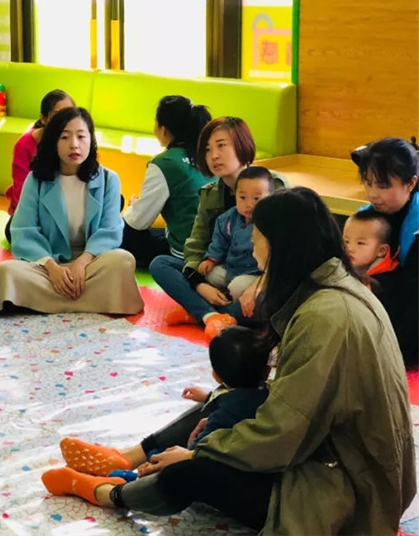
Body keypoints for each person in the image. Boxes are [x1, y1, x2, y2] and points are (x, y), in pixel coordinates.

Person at [39, 187, 415, 534]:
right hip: (336, 459)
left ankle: (108, 493)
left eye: (257, 236)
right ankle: (126, 457)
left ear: (279, 244)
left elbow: (283, 433)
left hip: (347, 492)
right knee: (228, 399)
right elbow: (295, 405)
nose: (252, 245)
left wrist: (198, 452)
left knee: (191, 470)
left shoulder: (325, 315)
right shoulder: (330, 290)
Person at [43, 325, 271, 513]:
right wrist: (208, 397)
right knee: (209, 407)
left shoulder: (228, 411)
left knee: (182, 469)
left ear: (216, 374)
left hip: (253, 480)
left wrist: (188, 454)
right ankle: (126, 457)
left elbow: (206, 450)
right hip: (244, 457)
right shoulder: (263, 393)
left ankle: (110, 492)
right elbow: (237, 403)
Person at [0, 107, 143, 315]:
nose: (74, 144)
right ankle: (91, 300)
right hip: (47, 264)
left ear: (91, 140)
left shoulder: (108, 179)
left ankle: (44, 302)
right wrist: (52, 268)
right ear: (54, 142)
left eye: (81, 136)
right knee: (6, 271)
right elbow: (24, 231)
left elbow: (110, 230)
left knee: (123, 261)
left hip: (92, 263)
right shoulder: (36, 180)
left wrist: (82, 262)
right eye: (65, 137)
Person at [149, 117, 288, 336]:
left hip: (263, 279)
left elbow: (288, 250)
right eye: (207, 149)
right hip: (223, 272)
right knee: (160, 264)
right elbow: (196, 244)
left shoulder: (274, 187)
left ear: (242, 146)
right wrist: (198, 284)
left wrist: (258, 285)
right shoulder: (211, 194)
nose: (214, 155)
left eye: (221, 146)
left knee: (258, 300)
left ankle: (200, 312)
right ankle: (211, 316)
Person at [179, 166, 273, 336]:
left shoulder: (270, 223)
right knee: (208, 274)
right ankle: (213, 309)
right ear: (234, 195)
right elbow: (219, 243)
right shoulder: (228, 219)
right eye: (242, 197)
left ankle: (211, 312)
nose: (249, 204)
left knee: (237, 287)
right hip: (230, 268)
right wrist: (211, 259)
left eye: (257, 198)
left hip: (253, 275)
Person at [121, 95, 212, 268]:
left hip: (186, 252)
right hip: (215, 248)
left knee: (122, 229)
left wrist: (132, 208)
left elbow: (139, 222)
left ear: (163, 129)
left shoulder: (165, 163)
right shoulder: (206, 153)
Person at [351, 137, 418, 366]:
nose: (372, 194)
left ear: (410, 183)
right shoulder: (367, 216)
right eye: (368, 183)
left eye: (383, 185)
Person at [5, 89, 76, 242]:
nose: (64, 121)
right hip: (35, 210)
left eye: (69, 114)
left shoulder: (76, 141)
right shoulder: (24, 145)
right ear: (43, 119)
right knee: (14, 232)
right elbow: (21, 191)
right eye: (57, 115)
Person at [342, 209, 396, 281]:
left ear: (381, 250)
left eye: (360, 243)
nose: (349, 248)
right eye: (346, 241)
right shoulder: (338, 264)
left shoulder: (385, 280)